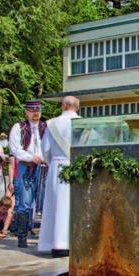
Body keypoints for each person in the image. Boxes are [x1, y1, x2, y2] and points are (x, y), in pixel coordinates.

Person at [38, 96, 80, 257]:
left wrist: (52, 162)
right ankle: (72, 242)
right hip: (77, 165)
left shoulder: (51, 124)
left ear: (63, 105)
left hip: (57, 165)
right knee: (72, 204)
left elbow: (46, 149)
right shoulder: (82, 123)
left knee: (56, 204)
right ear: (77, 107)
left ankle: (55, 243)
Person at [9, 100, 47, 248]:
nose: (35, 113)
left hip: (43, 167)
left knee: (44, 202)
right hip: (26, 167)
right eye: (32, 110)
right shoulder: (18, 127)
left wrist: (44, 157)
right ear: (26, 111)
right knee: (24, 203)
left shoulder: (46, 127)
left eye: (37, 110)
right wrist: (31, 158)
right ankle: (22, 237)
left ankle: (44, 237)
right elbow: (15, 149)